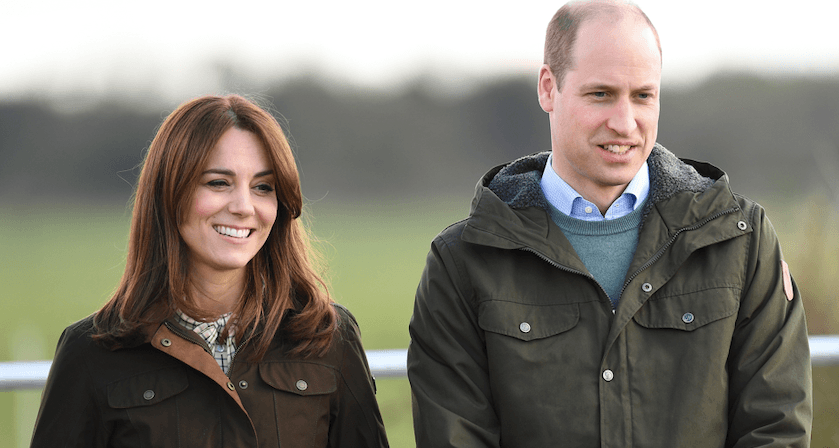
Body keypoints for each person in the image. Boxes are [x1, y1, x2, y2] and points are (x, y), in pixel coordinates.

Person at [407, 1, 813, 447]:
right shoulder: (462, 262)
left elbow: (776, 428)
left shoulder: (741, 241)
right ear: (548, 88)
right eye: (600, 94)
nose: (624, 123)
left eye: (643, 96)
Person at [31, 94, 389, 448]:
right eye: (218, 182)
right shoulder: (90, 352)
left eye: (263, 187)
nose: (244, 207)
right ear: (168, 192)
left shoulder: (328, 336)